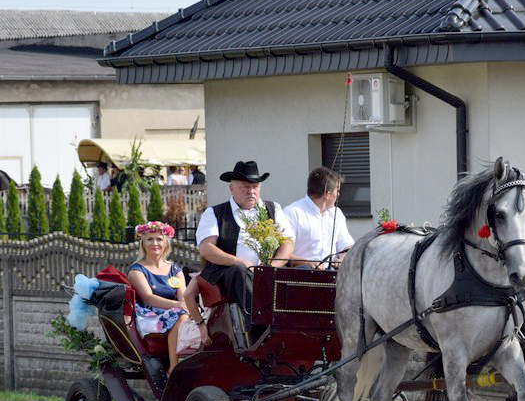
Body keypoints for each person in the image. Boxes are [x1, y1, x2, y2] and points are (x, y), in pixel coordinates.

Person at [194, 160, 295, 317]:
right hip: (230, 273)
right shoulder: (215, 213)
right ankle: (259, 320)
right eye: (246, 187)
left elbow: (287, 242)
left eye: (255, 187)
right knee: (240, 272)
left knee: (305, 272)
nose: (251, 191)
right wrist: (238, 261)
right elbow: (207, 249)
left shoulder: (274, 209)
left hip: (268, 273)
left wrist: (272, 267)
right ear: (232, 188)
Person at [126, 221, 189, 377]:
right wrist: (178, 305)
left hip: (176, 310)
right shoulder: (136, 270)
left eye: (159, 239)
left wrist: (185, 306)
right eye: (150, 239)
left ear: (166, 243)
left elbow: (184, 296)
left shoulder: (175, 269)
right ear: (143, 243)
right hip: (150, 314)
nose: (155, 243)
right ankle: (174, 368)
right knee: (182, 316)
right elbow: (148, 298)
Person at [285, 166, 355, 269]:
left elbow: (347, 244)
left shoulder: (337, 213)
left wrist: (343, 258)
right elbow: (282, 254)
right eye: (337, 190)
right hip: (302, 276)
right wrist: (307, 263)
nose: (339, 195)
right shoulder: (293, 212)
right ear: (327, 194)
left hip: (332, 274)